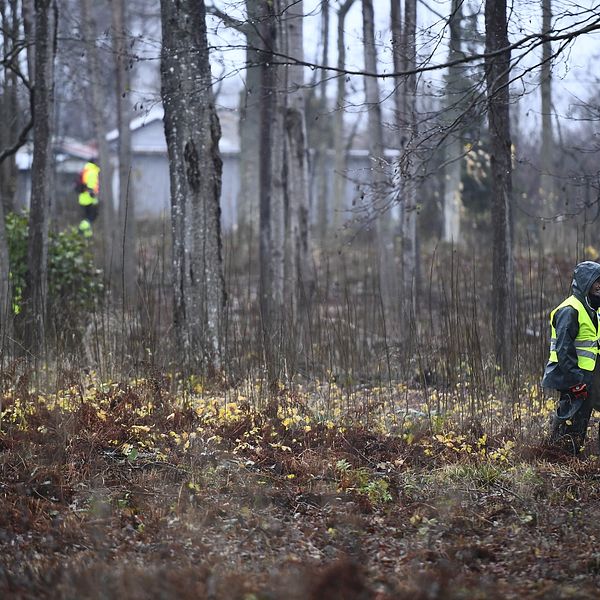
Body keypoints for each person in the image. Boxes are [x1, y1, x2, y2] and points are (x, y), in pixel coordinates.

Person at [543, 260, 600, 454]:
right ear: (585, 282)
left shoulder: (593, 309)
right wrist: (576, 381)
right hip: (573, 375)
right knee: (572, 419)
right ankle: (559, 457)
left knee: (580, 418)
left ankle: (578, 457)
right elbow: (563, 349)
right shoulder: (570, 310)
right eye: (596, 280)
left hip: (590, 373)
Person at [77, 157, 100, 237]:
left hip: (84, 197)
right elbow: (91, 183)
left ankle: (87, 234)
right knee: (91, 217)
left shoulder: (86, 169)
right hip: (89, 198)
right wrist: (92, 193)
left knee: (88, 217)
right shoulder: (92, 171)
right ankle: (81, 229)